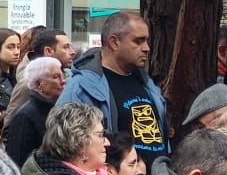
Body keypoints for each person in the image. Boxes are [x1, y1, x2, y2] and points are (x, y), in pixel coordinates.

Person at [57, 11, 170, 165]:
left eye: (146, 41)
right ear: (114, 42)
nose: (147, 48)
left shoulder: (146, 82)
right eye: (138, 41)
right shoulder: (81, 87)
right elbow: (67, 146)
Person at [4, 56, 67, 165]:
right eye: (56, 77)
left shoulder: (60, 108)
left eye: (62, 75)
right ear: (38, 84)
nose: (63, 81)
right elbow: (17, 159)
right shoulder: (25, 116)